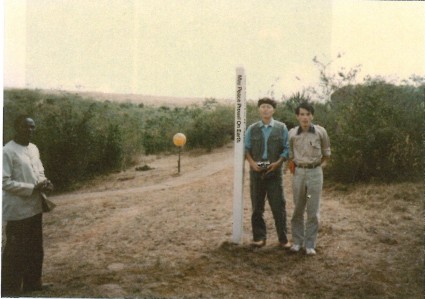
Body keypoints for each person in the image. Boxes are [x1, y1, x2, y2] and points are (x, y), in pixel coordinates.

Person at [2, 115, 54, 296]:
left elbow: (39, 171)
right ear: (17, 128)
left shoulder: (33, 148)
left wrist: (44, 182)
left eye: (32, 127)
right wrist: (31, 187)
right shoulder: (6, 151)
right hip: (17, 210)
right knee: (15, 250)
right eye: (26, 127)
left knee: (35, 247)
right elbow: (4, 181)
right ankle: (9, 288)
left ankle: (33, 282)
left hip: (34, 207)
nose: (30, 130)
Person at [245, 97, 291, 249]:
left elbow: (286, 148)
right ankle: (259, 237)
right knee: (257, 206)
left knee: (278, 206)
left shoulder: (281, 127)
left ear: (274, 110)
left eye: (268, 107)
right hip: (256, 171)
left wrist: (278, 163)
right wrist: (252, 164)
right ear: (259, 109)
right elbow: (246, 149)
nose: (265, 109)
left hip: (274, 171)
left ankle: (283, 239)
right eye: (263, 106)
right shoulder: (252, 129)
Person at [288, 102, 331, 255]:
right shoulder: (292, 133)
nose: (305, 117)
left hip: (315, 174)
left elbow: (326, 154)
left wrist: (319, 168)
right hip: (299, 173)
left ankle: (310, 244)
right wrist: (296, 170)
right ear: (297, 116)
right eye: (302, 114)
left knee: (313, 210)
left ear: (312, 115)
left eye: (308, 114)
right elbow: (290, 156)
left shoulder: (321, 132)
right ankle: (297, 242)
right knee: (298, 209)